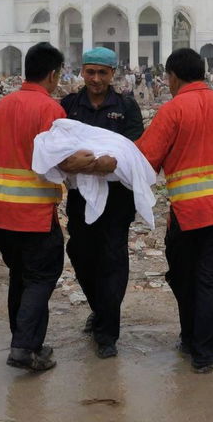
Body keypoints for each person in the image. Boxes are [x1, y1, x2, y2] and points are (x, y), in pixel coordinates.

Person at [136, 48, 213, 373]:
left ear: (173, 76)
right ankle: (206, 352)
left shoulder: (172, 110)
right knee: (211, 278)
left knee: (185, 277)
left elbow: (146, 158)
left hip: (188, 212)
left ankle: (191, 340)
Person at [0, 42, 95, 372]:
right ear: (53, 74)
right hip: (33, 211)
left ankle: (26, 341)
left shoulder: (2, 106)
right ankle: (24, 348)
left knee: (19, 277)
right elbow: (63, 160)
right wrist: (93, 161)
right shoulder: (50, 111)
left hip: (1, 211)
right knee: (41, 277)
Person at [60, 47, 144, 359]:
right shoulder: (70, 105)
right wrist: (77, 164)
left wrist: (111, 161)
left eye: (102, 73)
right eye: (90, 72)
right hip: (81, 196)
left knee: (113, 259)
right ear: (82, 72)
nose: (96, 79)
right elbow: (58, 144)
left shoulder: (125, 106)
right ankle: (100, 308)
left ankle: (107, 333)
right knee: (80, 253)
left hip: (117, 198)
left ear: (113, 74)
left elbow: (136, 146)